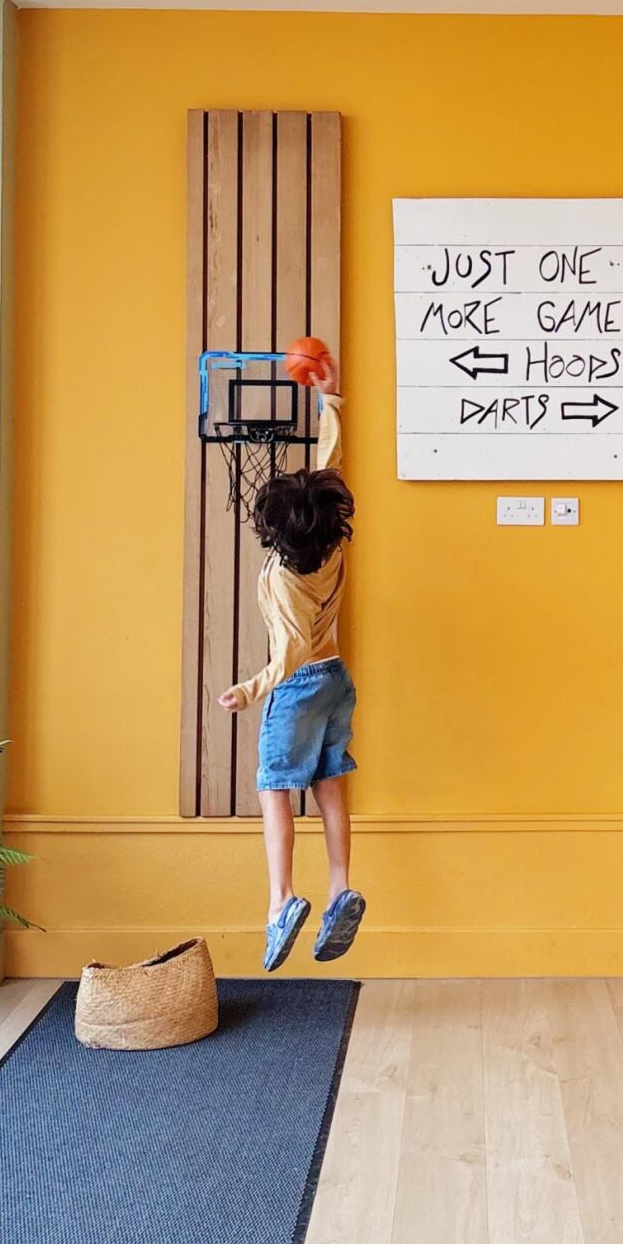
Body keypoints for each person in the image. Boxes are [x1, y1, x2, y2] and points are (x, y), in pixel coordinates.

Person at [217, 355, 364, 968]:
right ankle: (339, 889)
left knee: (275, 789)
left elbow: (289, 654)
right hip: (337, 679)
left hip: (302, 681)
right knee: (329, 782)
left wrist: (249, 690)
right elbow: (328, 469)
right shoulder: (331, 545)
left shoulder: (283, 580)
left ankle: (280, 902)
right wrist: (330, 402)